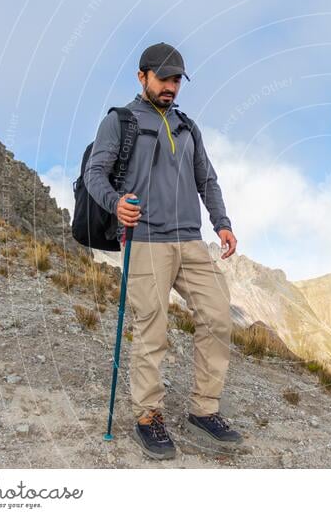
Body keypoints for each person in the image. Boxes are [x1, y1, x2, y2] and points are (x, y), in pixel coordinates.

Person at [84, 42, 242, 460]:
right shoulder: (119, 121)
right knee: (152, 330)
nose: (171, 86)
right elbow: (94, 173)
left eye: (177, 80)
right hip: (145, 241)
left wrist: (221, 223)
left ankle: (203, 409)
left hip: (190, 240)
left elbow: (207, 179)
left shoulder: (188, 127)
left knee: (217, 317)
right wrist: (116, 203)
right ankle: (147, 416)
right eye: (164, 78)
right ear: (142, 76)